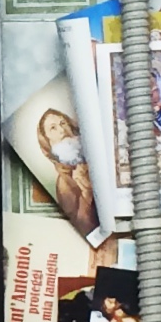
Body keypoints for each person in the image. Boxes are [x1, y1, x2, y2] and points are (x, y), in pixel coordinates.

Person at [34, 102, 99, 237]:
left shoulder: (92, 150)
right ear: (47, 140)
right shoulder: (64, 183)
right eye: (53, 128)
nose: (62, 130)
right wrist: (86, 194)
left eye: (63, 123)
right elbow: (84, 229)